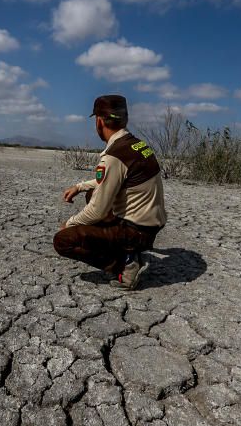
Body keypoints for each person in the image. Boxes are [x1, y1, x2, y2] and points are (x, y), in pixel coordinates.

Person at [53, 94, 167, 289]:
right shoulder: (137, 145)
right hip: (150, 224)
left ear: (98, 122)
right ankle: (129, 250)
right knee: (92, 194)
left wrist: (69, 224)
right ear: (125, 119)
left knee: (64, 240)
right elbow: (111, 180)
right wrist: (80, 187)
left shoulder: (115, 155)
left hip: (136, 231)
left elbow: (97, 210)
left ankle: (125, 265)